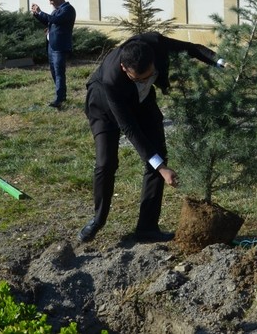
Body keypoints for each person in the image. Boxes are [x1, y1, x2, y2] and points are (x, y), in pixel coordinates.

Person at [78, 32, 225, 243]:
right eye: (139, 78)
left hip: (143, 102)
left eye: (150, 75)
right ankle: (98, 219)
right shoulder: (112, 79)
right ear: (124, 69)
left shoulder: (154, 43)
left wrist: (220, 62)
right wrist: (162, 168)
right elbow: (129, 129)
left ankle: (146, 227)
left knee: (158, 155)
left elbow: (191, 48)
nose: (146, 80)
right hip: (103, 105)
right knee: (106, 163)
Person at [31, 0, 76, 108]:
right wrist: (37, 14)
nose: (50, 3)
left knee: (59, 72)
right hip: (51, 46)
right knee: (54, 72)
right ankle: (62, 95)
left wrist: (41, 12)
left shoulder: (68, 10)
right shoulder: (56, 10)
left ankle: (58, 99)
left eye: (51, 0)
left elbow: (56, 20)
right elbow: (49, 23)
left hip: (59, 47)